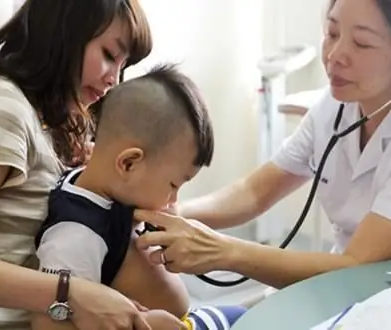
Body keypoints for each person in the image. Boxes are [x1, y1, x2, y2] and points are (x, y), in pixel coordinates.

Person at [135, 0, 391, 290]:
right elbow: (254, 192)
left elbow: (356, 263)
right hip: (345, 292)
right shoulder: (335, 108)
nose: (334, 54)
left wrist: (221, 252)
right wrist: (172, 213)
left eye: (361, 44)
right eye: (331, 33)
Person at [32, 64, 247, 330]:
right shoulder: (76, 236)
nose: (173, 200)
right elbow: (50, 324)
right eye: (173, 185)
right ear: (129, 164)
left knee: (245, 316)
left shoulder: (109, 185)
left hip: (186, 320)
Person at [0, 0, 154, 329]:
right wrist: (68, 292)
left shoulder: (55, 123)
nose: (113, 80)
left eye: (122, 65)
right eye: (108, 55)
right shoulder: (5, 108)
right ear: (62, 31)